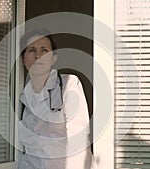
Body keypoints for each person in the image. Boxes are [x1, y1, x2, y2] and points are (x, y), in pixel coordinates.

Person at [18, 28, 93, 169]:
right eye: (31, 50)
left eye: (44, 50)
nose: (38, 56)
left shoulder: (68, 84)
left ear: (53, 59)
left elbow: (78, 140)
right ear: (24, 60)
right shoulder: (23, 96)